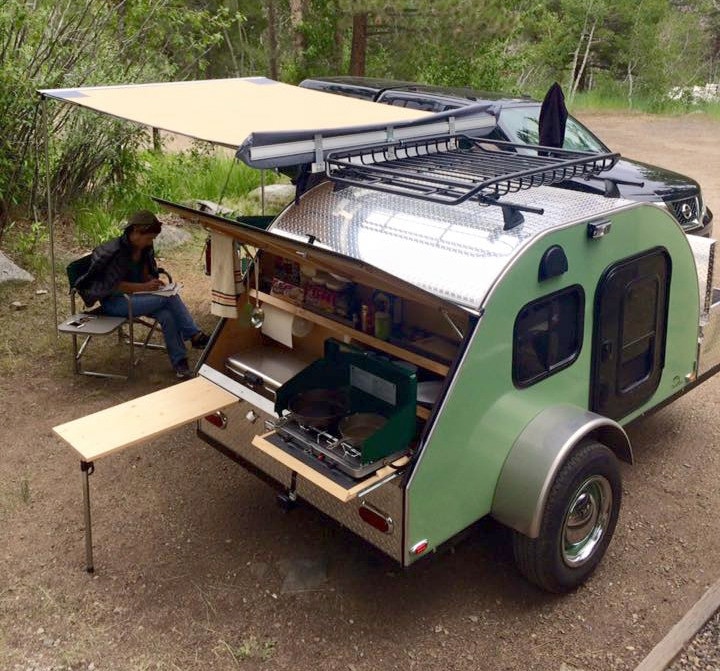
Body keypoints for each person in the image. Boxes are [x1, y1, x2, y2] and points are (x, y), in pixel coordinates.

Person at [74, 210, 209, 378]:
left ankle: (180, 364)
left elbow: (145, 272)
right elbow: (113, 286)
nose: (150, 242)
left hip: (138, 298)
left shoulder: (144, 248)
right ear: (135, 232)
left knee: (167, 315)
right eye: (148, 238)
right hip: (116, 302)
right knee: (171, 298)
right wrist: (144, 287)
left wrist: (152, 283)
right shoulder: (115, 252)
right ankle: (194, 335)